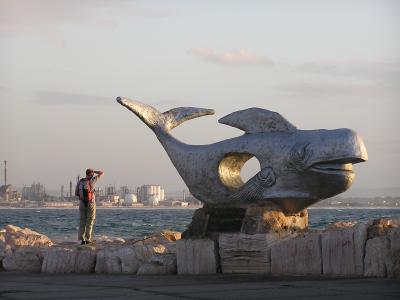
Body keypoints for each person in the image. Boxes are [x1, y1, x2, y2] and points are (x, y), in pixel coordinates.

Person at [75, 168, 104, 245]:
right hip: (91, 202)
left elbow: (76, 193)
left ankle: (81, 240)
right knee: (90, 221)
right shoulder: (93, 179)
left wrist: (82, 197)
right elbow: (101, 173)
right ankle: (88, 239)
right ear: (91, 174)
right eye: (92, 173)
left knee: (82, 221)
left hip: (81, 203)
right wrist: (94, 171)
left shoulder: (80, 181)